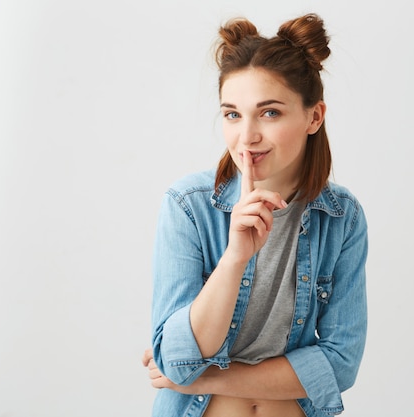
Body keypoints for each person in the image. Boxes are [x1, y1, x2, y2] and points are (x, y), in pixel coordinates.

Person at [141, 12, 368, 417]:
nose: (246, 137)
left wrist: (208, 376)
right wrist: (234, 258)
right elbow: (176, 359)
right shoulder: (189, 206)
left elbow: (340, 363)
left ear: (314, 116)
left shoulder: (342, 218)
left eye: (270, 113)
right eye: (232, 114)